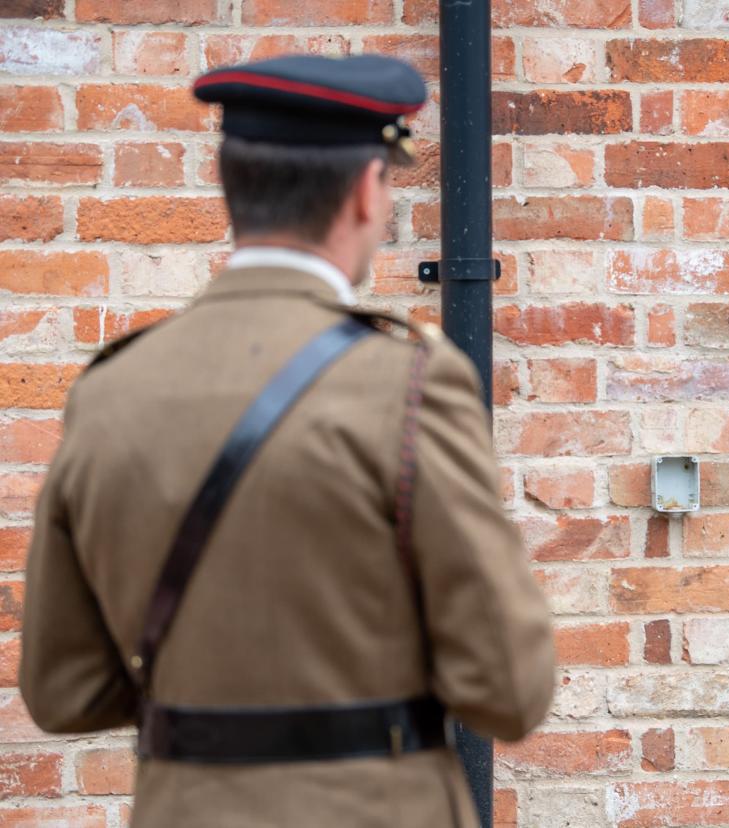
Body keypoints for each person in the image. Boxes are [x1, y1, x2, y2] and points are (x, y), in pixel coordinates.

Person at [19, 54, 555, 828]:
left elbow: (64, 691)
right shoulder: (407, 382)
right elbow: (510, 687)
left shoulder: (110, 390)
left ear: (233, 188)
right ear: (369, 192)